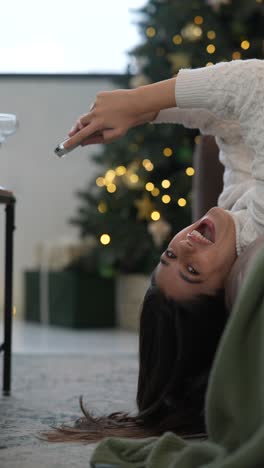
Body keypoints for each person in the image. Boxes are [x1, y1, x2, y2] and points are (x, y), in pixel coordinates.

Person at [46, 59, 264, 443]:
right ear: (227, 295)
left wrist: (145, 113)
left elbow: (231, 122)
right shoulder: (258, 225)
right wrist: (137, 102)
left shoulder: (238, 213)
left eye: (170, 255)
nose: (185, 246)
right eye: (193, 271)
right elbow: (257, 87)